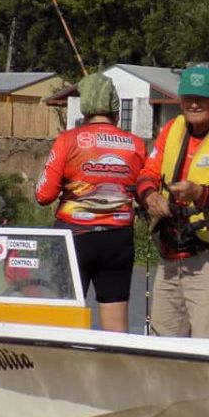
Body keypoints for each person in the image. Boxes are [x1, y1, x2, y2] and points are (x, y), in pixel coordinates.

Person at [136, 66, 209, 339]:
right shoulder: (171, 130)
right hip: (169, 255)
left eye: (202, 97)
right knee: (162, 341)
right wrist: (150, 196)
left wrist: (200, 193)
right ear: (179, 99)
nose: (194, 104)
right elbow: (147, 173)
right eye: (189, 97)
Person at [35, 72, 146, 333]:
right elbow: (145, 192)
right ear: (116, 108)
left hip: (73, 237)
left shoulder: (68, 140)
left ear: (85, 107)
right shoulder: (136, 144)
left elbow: (43, 195)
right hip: (118, 239)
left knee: (64, 321)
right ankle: (116, 370)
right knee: (116, 326)